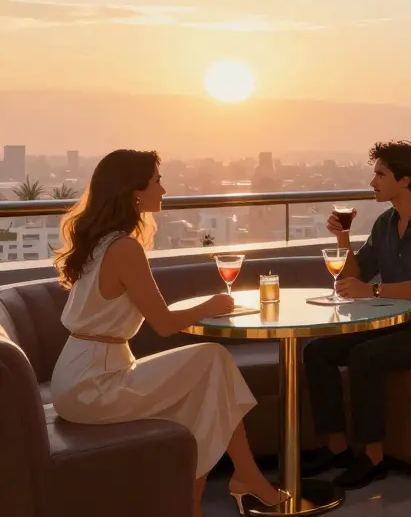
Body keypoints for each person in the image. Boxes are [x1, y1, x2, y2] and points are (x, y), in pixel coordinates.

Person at [48, 149, 285, 517]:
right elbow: (163, 325)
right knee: (213, 358)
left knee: (203, 391)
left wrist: (202, 307)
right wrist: (209, 306)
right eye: (157, 181)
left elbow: (151, 313)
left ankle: (208, 497)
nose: (164, 189)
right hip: (95, 384)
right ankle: (244, 477)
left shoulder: (102, 242)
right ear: (134, 192)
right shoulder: (124, 248)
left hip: (80, 375)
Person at [301, 141, 411, 489]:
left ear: (404, 180)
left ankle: (373, 458)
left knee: (365, 356)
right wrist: (343, 238)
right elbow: (357, 275)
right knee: (317, 351)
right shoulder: (384, 224)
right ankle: (337, 448)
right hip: (396, 324)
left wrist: (373, 292)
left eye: (380, 174)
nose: (372, 181)